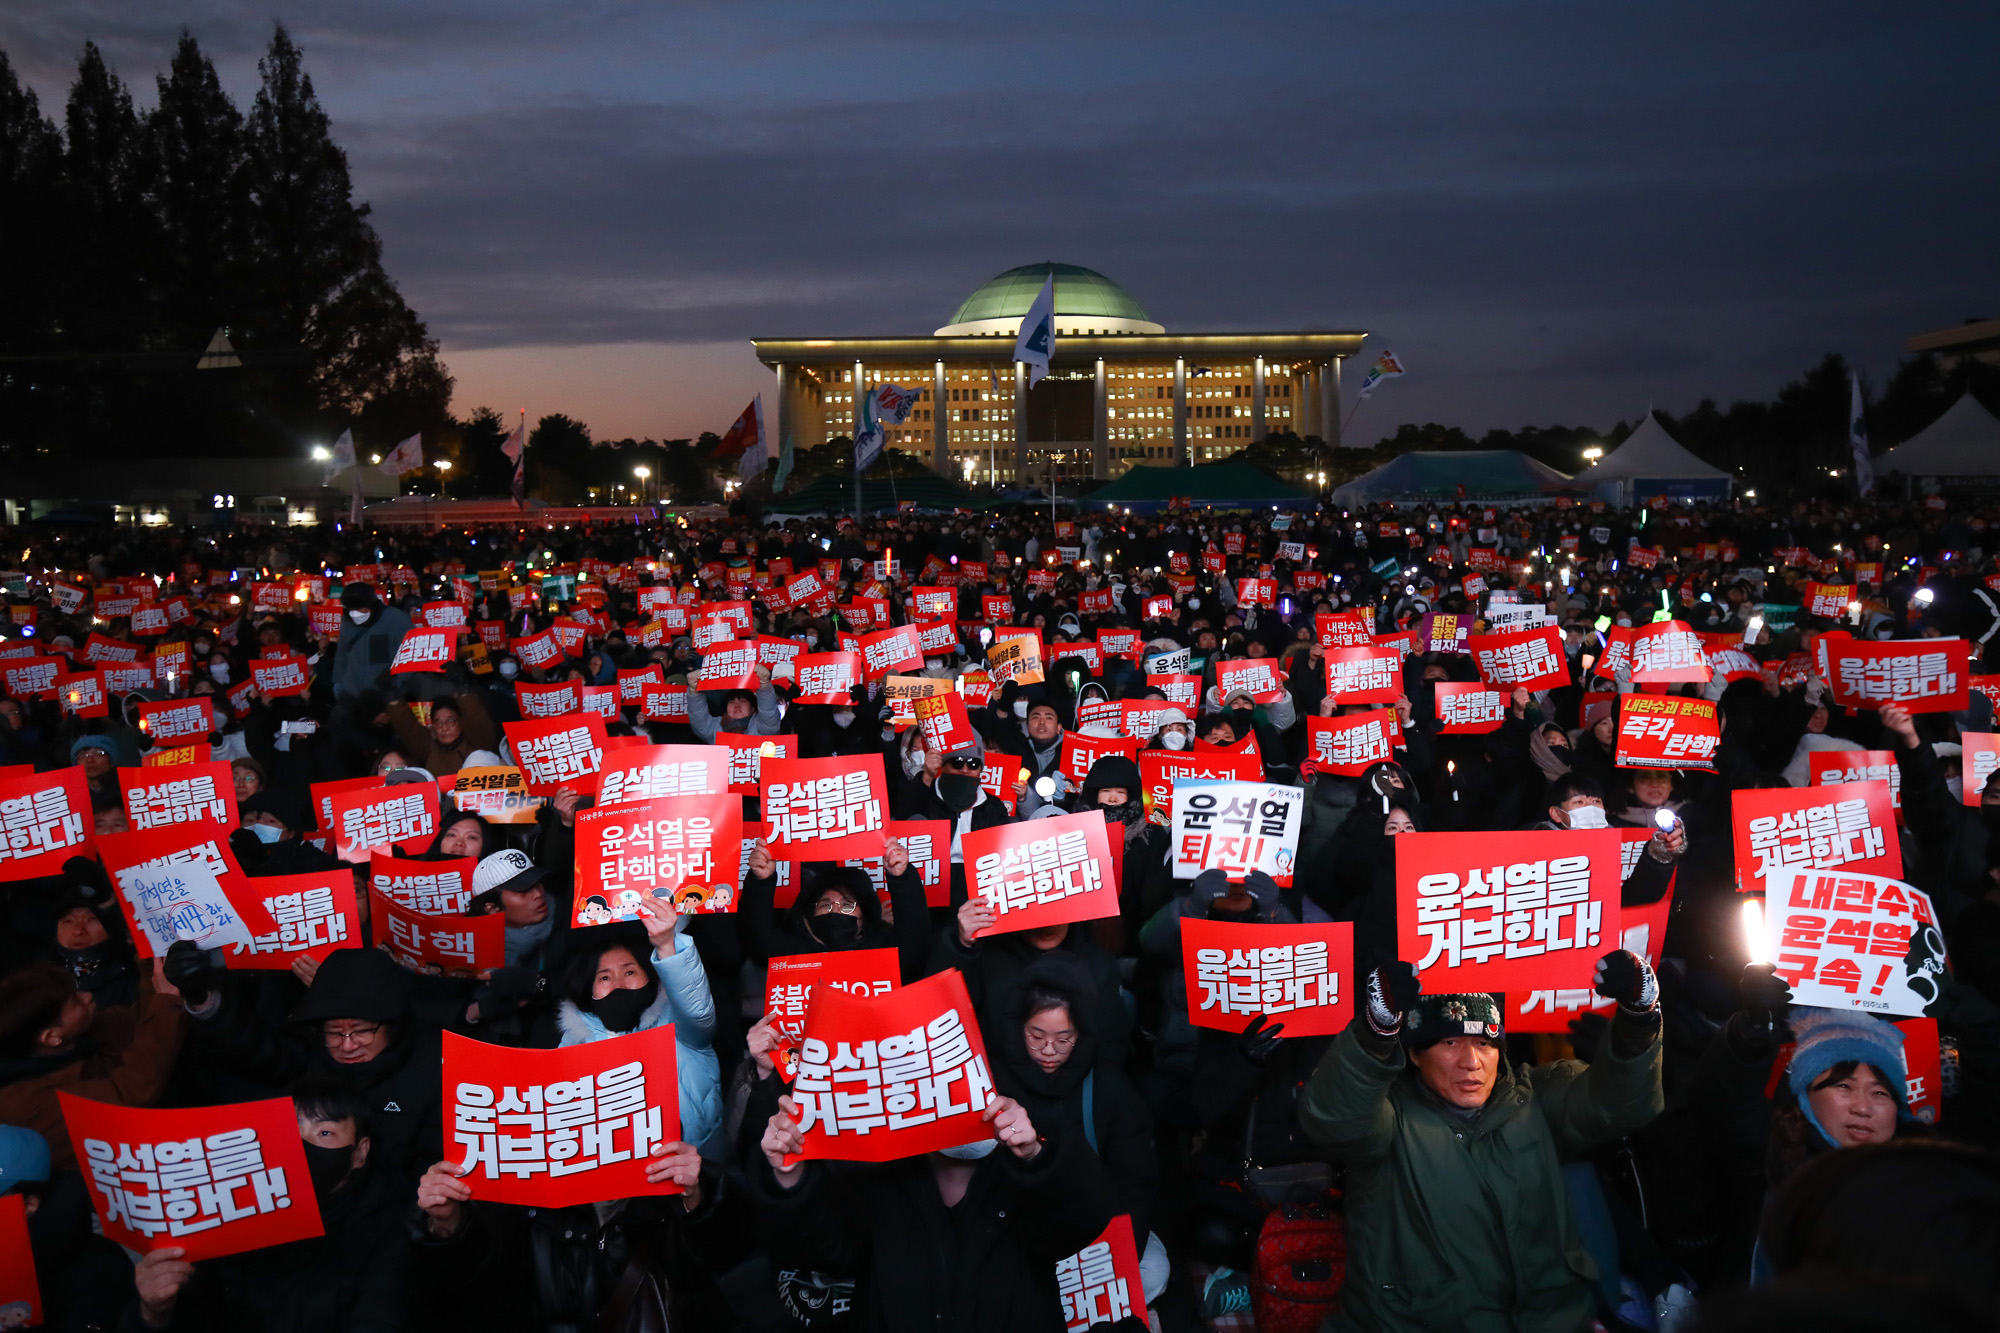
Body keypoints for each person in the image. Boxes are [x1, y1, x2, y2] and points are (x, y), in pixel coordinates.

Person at [1298, 952, 1665, 1332]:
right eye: (1451, 1042)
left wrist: (1640, 1018)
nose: (1471, 1061)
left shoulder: (1538, 1098)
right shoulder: (1388, 1119)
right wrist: (1374, 1033)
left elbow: (1623, 1106)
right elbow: (1333, 1118)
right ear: (1415, 1054)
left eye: (1485, 1043)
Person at [751, 1088, 1116, 1333]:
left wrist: (1038, 1156)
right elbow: (824, 1252)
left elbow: (1084, 1220)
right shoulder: (879, 1177)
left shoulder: (1022, 1174)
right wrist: (792, 1176)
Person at [125, 1079, 409, 1331]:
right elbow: (202, 1312)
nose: (301, 1145)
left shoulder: (390, 1227)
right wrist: (154, 1313)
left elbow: (381, 1314)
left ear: (360, 1153)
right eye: (290, 1130)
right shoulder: (229, 1208)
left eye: (324, 1133)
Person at [162, 943, 443, 1180]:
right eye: (334, 1033)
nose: (347, 1044)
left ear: (392, 1026)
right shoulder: (309, 1056)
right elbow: (250, 1044)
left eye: (361, 1031)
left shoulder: (432, 1071)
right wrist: (201, 997)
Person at [554, 897, 725, 1156]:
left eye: (630, 972)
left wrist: (668, 945)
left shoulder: (680, 1027)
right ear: (588, 988)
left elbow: (696, 1008)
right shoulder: (572, 1043)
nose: (618, 982)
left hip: (694, 1169)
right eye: (604, 977)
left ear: (649, 974)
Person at [0, 958, 184, 1174]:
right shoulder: (26, 1102)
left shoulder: (79, 1037)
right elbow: (127, 1094)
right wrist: (165, 999)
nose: (87, 996)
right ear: (51, 1037)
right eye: (75, 1002)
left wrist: (150, 963)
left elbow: (145, 1020)